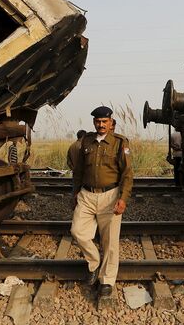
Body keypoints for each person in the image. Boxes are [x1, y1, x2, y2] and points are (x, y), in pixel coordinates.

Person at [70, 106, 133, 298]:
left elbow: (127, 174)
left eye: (104, 121)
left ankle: (106, 281)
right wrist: (74, 193)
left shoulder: (119, 142)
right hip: (87, 195)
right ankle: (94, 263)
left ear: (111, 122)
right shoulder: (86, 141)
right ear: (94, 123)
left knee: (110, 242)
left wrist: (123, 198)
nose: (101, 124)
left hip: (110, 196)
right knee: (77, 231)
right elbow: (78, 171)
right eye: (98, 121)